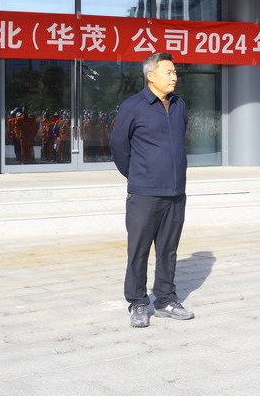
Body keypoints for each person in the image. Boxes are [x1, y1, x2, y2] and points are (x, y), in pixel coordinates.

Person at [110, 52, 193, 328]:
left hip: (175, 191)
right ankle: (137, 302)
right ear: (150, 76)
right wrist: (136, 174)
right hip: (144, 192)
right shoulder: (132, 106)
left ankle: (166, 299)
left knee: (169, 249)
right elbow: (118, 146)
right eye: (168, 72)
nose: (174, 77)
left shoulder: (179, 105)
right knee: (139, 249)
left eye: (175, 72)